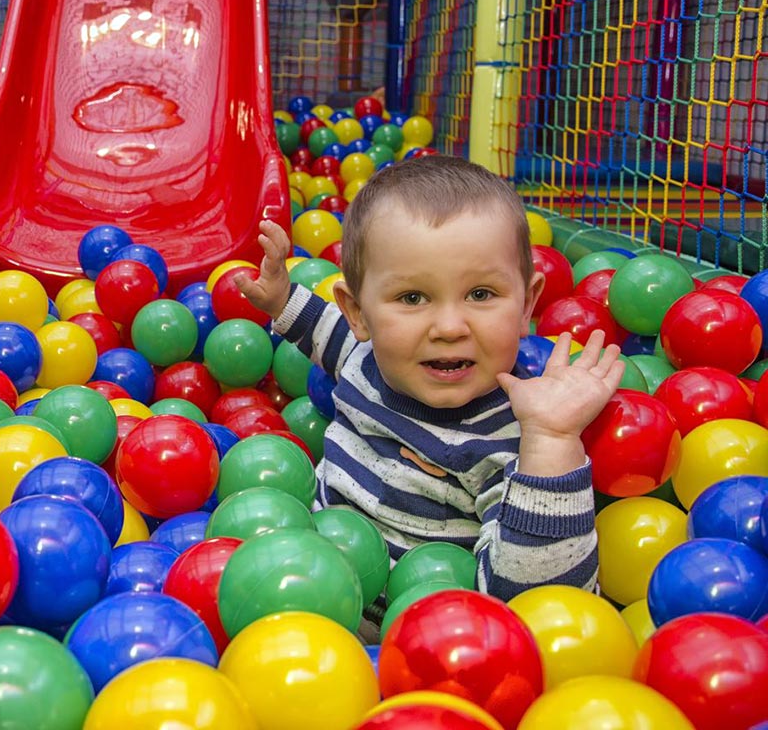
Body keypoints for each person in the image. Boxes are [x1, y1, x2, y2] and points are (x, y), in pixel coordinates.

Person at [237, 155, 623, 608]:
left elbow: (540, 601)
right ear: (359, 313)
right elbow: (324, 330)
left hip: (417, 628)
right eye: (413, 297)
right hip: (300, 579)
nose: (449, 327)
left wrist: (553, 441)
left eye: (480, 294)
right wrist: (281, 298)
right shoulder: (366, 361)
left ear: (525, 306)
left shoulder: (512, 441)